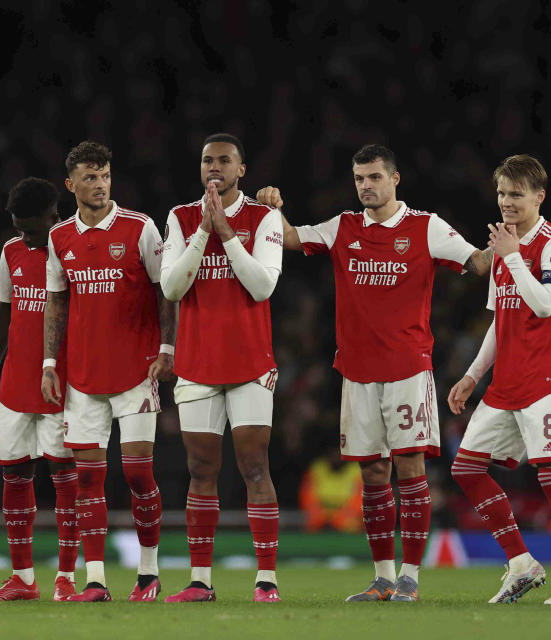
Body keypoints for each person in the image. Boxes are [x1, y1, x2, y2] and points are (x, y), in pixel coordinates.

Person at [256, 144, 492, 602]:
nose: (366, 185)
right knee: (372, 474)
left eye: (374, 177)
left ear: (395, 179)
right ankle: (383, 577)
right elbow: (289, 238)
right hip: (357, 372)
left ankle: (411, 578)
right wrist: (273, 211)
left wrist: (505, 246)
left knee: (410, 467)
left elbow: (476, 262)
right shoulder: (343, 226)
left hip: (407, 368)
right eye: (360, 178)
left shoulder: (425, 227)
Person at [41, 141, 176, 602]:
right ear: (71, 184)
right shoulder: (60, 237)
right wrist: (49, 363)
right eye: (90, 177)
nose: (100, 184)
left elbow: (166, 290)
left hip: (137, 372)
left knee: (139, 474)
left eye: (105, 175)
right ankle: (95, 580)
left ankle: (149, 572)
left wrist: (166, 348)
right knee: (88, 480)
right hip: (82, 377)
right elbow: (56, 301)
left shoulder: (140, 228)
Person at [447, 154, 551, 605]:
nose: (506, 202)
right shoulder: (505, 248)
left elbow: (545, 304)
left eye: (516, 194)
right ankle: (521, 564)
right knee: (466, 467)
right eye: (502, 193)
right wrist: (471, 376)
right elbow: (498, 322)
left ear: (539, 196)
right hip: (505, 383)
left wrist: (513, 256)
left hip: (549, 380)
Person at [159, 133, 285, 603]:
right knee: (200, 469)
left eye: (225, 160)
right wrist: (202, 234)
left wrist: (227, 235)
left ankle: (267, 579)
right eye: (208, 160)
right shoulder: (180, 217)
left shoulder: (264, 217)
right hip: (197, 363)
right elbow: (171, 288)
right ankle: (200, 581)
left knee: (255, 466)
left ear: (241, 170)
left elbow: (262, 286)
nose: (215, 167)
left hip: (250, 363)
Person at [0, 177, 79, 602]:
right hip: (17, 380)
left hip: (62, 379)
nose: (24, 235)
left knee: (64, 474)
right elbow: (6, 309)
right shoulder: (10, 251)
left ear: (53, 218)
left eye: (30, 229)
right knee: (15, 471)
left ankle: (67, 578)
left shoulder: (73, 248)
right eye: (18, 227)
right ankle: (22, 578)